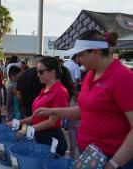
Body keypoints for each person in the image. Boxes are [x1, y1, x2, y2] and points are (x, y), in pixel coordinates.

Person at [34, 30, 133, 169]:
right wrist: (53, 110)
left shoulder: (123, 78)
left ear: (96, 53)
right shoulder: (90, 75)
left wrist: (114, 163)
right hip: (88, 154)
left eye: (81, 55)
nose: (78, 59)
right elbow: (85, 110)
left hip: (111, 156)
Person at [12, 56, 73, 156]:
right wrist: (18, 122)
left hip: (51, 138)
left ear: (52, 72)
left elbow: (52, 121)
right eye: (37, 72)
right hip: (41, 136)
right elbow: (36, 116)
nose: (38, 75)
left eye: (41, 72)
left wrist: (28, 129)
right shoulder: (45, 89)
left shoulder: (60, 91)